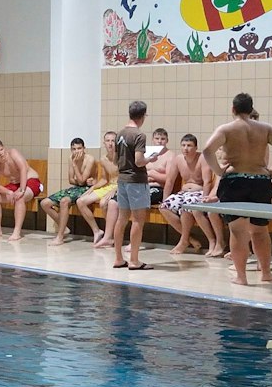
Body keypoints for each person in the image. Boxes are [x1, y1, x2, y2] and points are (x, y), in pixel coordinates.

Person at [203, 93, 272, 286]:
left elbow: (207, 150)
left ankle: (241, 277)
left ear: (233, 109)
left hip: (235, 180)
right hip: (260, 181)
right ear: (251, 109)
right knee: (260, 230)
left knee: (238, 230)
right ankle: (266, 273)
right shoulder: (265, 128)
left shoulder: (226, 129)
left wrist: (219, 170)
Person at [160, 134, 224, 257]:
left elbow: (207, 182)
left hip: (198, 193)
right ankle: (189, 239)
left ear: (195, 147)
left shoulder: (202, 158)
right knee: (164, 207)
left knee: (187, 208)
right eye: (183, 145)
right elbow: (170, 181)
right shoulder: (178, 159)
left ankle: (208, 240)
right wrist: (165, 198)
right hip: (183, 193)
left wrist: (203, 200)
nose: (186, 148)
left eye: (189, 146)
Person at [111, 101, 153, 271]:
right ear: (143, 116)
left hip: (122, 180)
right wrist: (151, 158)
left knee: (121, 219)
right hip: (136, 180)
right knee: (137, 220)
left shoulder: (119, 134)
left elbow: (115, 160)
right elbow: (139, 160)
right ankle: (134, 260)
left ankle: (119, 258)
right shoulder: (139, 135)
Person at [41, 137, 99, 245]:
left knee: (64, 201)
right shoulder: (71, 158)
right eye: (74, 149)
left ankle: (60, 236)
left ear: (84, 148)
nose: (76, 151)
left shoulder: (90, 159)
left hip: (88, 188)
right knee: (45, 203)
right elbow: (71, 180)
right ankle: (65, 228)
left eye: (79, 148)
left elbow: (81, 182)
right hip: (76, 188)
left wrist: (75, 166)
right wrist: (79, 179)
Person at [0, 138, 39, 241]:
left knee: (19, 197)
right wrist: (8, 191)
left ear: (4, 148)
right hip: (14, 184)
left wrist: (22, 190)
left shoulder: (13, 153)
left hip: (31, 180)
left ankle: (17, 232)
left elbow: (23, 169)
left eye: (1, 149)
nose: (0, 153)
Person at [73, 131, 118, 245]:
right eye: (108, 141)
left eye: (113, 140)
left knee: (103, 203)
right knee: (80, 201)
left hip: (120, 186)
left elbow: (127, 178)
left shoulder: (122, 158)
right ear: (104, 143)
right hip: (109, 186)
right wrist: (93, 188)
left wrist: (115, 189)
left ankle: (110, 236)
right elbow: (104, 179)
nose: (110, 143)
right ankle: (97, 231)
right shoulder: (103, 159)